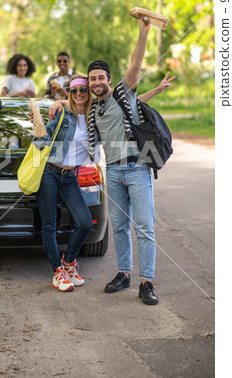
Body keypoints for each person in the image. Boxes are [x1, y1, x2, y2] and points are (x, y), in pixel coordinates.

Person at [49, 18, 176, 304]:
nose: (95, 83)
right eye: (91, 79)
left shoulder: (121, 92)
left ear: (109, 79)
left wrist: (143, 32)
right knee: (118, 227)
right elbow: (73, 105)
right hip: (113, 172)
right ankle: (124, 274)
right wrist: (56, 104)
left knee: (143, 226)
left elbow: (135, 64)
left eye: (100, 78)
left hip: (137, 169)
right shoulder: (94, 108)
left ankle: (147, 282)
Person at [34, 74, 95, 292]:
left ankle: (69, 263)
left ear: (89, 93)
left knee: (85, 223)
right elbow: (41, 143)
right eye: (74, 90)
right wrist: (38, 126)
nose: (79, 94)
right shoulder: (62, 114)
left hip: (70, 177)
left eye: (83, 90)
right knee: (49, 225)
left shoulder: (94, 116)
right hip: (49, 173)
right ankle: (57, 272)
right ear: (69, 93)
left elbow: (120, 101)